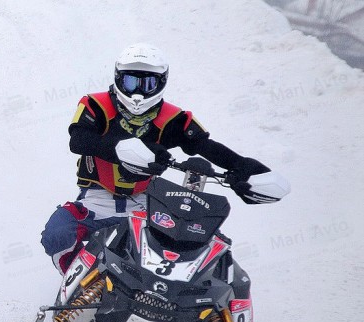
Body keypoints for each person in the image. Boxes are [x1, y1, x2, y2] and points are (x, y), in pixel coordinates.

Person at [41, 43, 283, 275]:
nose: (138, 91)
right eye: (130, 81)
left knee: (197, 242)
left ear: (161, 82)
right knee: (57, 233)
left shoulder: (174, 117)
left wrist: (242, 168)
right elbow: (78, 140)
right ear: (117, 78)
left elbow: (204, 145)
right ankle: (79, 286)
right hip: (96, 199)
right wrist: (120, 148)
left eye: (147, 83)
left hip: (147, 204)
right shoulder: (95, 104)